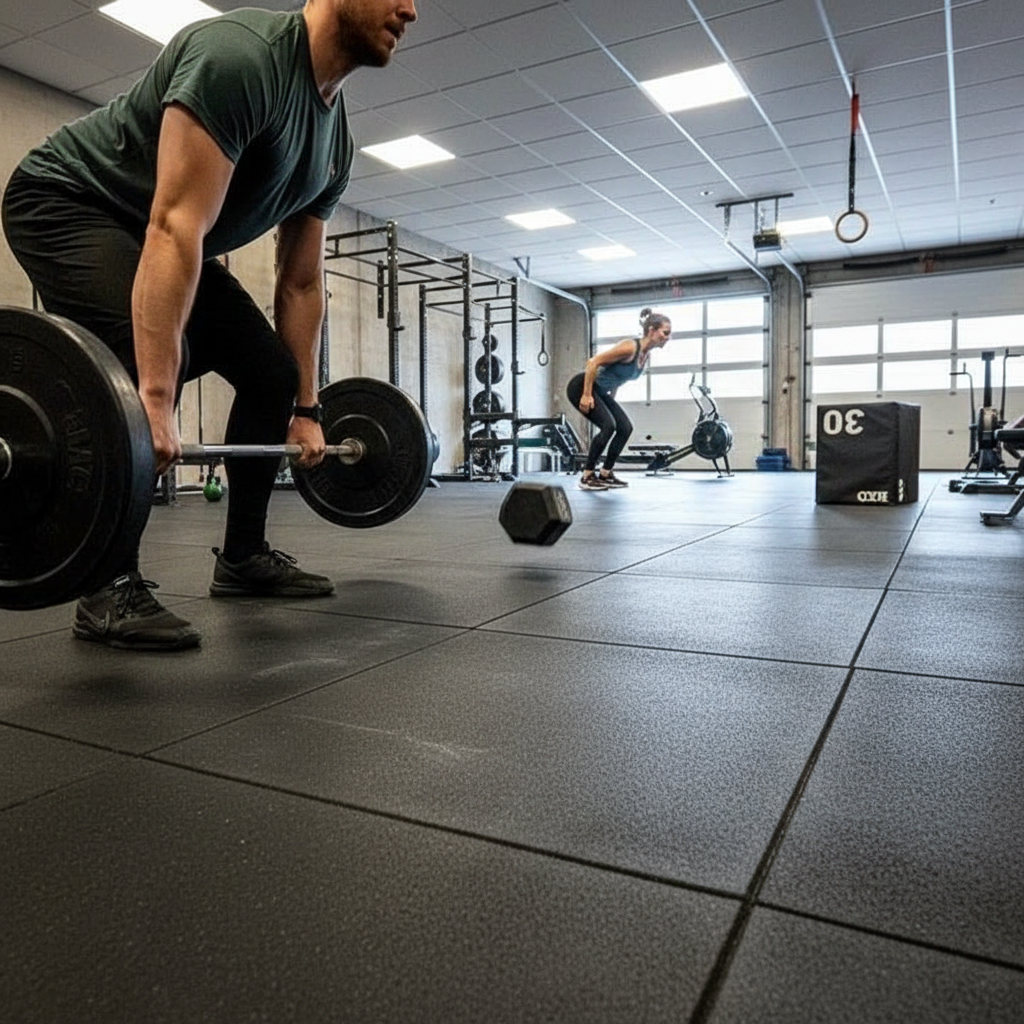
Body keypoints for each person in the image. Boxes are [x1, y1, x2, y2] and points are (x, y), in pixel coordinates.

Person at [1, 0, 418, 651]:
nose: (411, 9)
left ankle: (243, 557)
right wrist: (154, 401)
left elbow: (302, 283)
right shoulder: (239, 58)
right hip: (67, 200)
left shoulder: (335, 145)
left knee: (270, 371)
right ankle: (107, 587)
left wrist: (307, 408)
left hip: (154, 233)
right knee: (137, 352)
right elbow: (175, 227)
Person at [566, 307, 672, 490]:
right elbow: (593, 363)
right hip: (581, 386)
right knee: (609, 426)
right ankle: (587, 476)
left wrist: (609, 400)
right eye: (665, 332)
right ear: (651, 330)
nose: (668, 337)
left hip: (600, 391)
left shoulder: (645, 355)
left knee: (625, 427)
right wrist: (586, 395)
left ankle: (606, 473)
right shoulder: (630, 346)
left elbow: (618, 378)